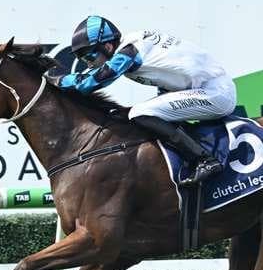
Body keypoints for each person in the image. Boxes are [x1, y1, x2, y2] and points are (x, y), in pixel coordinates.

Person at [56, 16, 237, 185]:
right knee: (138, 112)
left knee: (139, 112)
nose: (88, 64)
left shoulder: (128, 52)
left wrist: (57, 79)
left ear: (108, 46)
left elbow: (89, 83)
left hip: (216, 93)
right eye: (83, 59)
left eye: (89, 57)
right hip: (206, 89)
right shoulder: (131, 43)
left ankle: (204, 160)